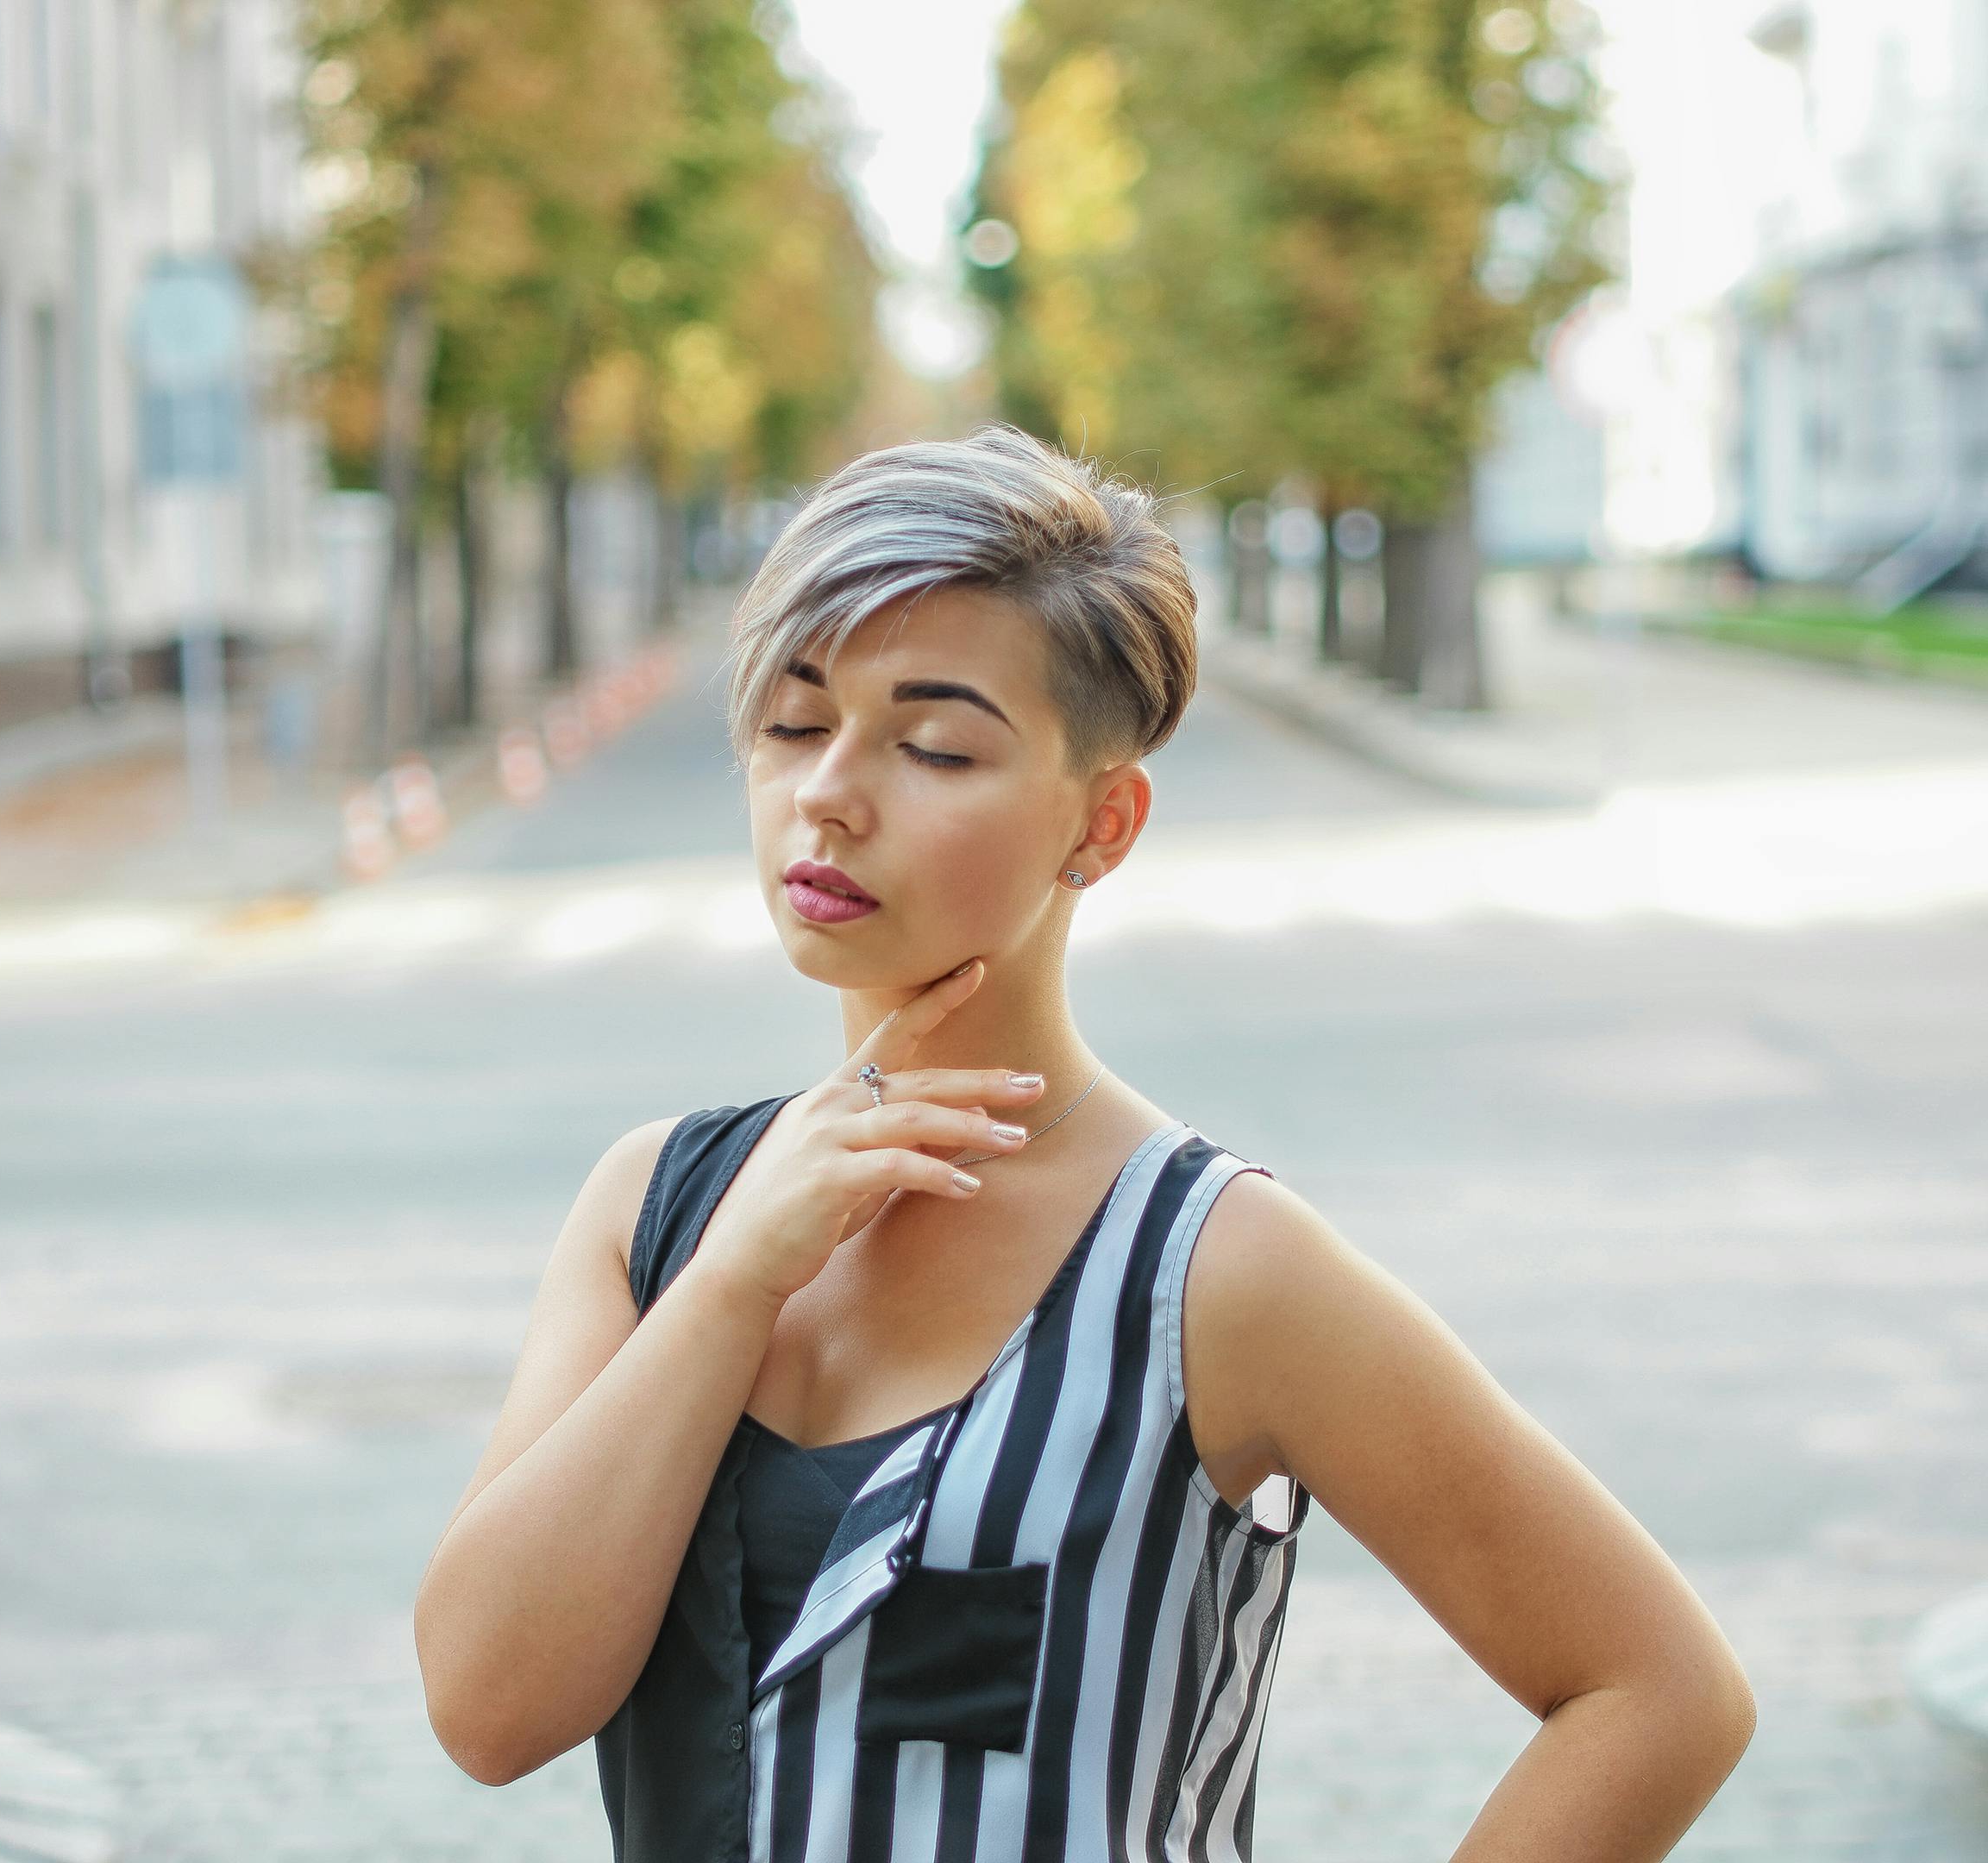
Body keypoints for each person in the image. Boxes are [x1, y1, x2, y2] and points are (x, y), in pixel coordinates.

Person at [411, 425, 1756, 1861]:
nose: (831, 794)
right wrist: (735, 1282)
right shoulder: (659, 1210)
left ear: (1101, 825)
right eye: (797, 725)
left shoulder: (1212, 1272)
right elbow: (491, 1711)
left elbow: (1657, 1693)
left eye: (935, 745)